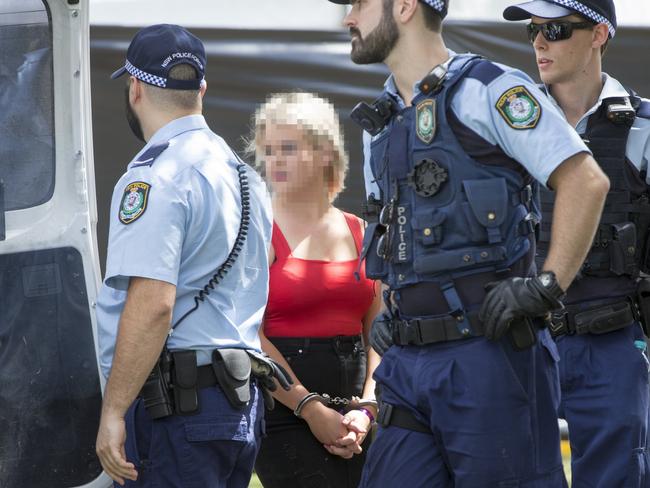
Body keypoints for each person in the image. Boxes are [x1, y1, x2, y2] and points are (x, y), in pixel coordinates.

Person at [325, 0, 611, 486]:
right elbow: (392, 236)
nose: (349, 18)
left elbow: (586, 181)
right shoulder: (384, 116)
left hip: (490, 355)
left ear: (406, 6)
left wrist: (546, 286)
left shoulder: (489, 88)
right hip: (407, 363)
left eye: (359, 3)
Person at [94, 24, 282, 488]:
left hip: (177, 409)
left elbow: (154, 301)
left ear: (134, 88)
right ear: (202, 88)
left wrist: (114, 409)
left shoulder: (155, 175)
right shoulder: (246, 177)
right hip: (237, 402)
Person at [503, 1, 650, 486]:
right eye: (533, 31)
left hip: (615, 343)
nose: (540, 42)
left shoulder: (643, 129)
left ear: (599, 34)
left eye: (558, 29)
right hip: (522, 342)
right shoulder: (504, 127)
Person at [248, 91, 383, 487]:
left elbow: (381, 331)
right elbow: (247, 335)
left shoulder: (362, 231)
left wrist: (370, 408)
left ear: (325, 152)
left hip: (359, 414)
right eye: (268, 151)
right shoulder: (257, 231)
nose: (275, 161)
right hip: (282, 411)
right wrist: (308, 407)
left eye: (288, 148)